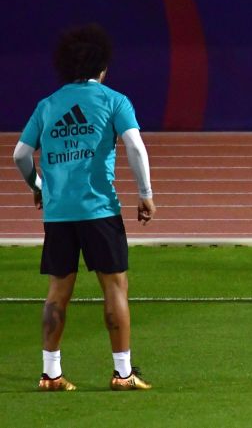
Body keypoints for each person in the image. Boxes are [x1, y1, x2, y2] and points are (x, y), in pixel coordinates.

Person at [13, 23, 156, 391]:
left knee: (57, 291)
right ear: (102, 66)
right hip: (99, 210)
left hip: (59, 213)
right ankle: (122, 374)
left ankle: (51, 374)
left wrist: (37, 185)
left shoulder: (47, 105)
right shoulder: (114, 100)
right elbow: (136, 147)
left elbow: (21, 154)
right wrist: (145, 192)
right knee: (114, 288)